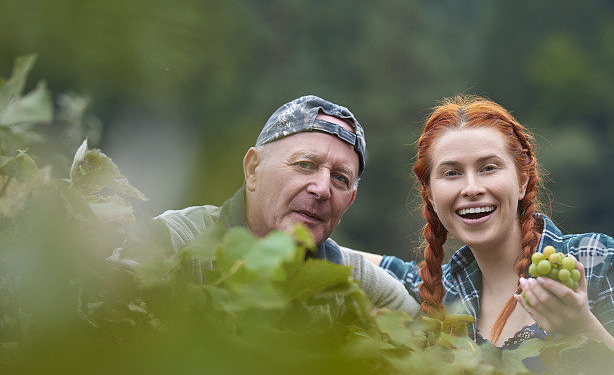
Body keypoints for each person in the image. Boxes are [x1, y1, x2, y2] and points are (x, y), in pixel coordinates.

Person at [363, 95, 614, 348]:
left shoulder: (599, 260)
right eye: (451, 173)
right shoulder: (442, 290)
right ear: (429, 194)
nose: (471, 188)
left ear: (521, 181)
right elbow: (356, 264)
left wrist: (582, 327)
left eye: (488, 168)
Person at [119, 95, 418, 316]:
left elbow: (427, 331)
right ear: (252, 169)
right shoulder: (181, 240)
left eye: (340, 178)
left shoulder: (346, 276)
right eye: (304, 164)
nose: (322, 188)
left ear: (349, 202)